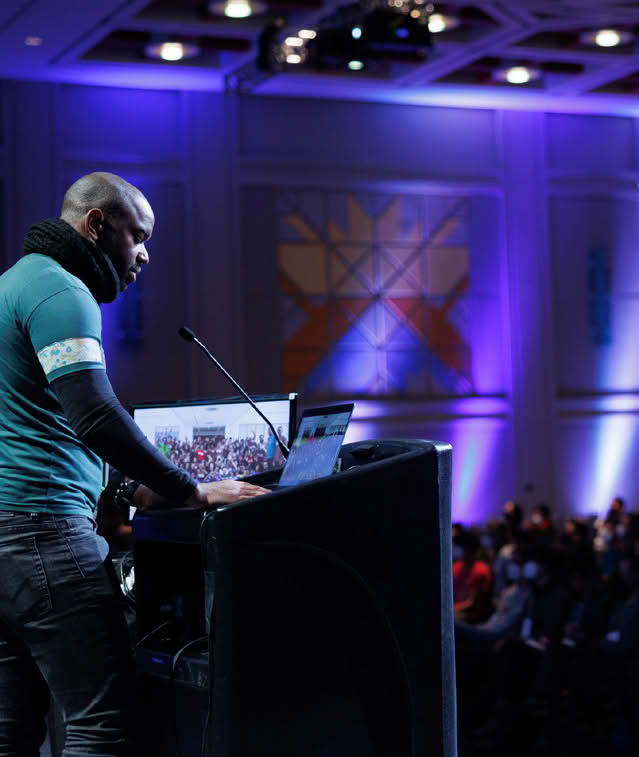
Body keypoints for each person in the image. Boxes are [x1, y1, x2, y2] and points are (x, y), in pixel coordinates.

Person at [0, 172, 269, 756]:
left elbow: (35, 425)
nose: (144, 254)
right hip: (42, 533)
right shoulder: (60, 291)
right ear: (97, 225)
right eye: (138, 235)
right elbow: (93, 414)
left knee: (10, 730)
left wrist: (125, 486)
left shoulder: (10, 286)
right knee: (105, 725)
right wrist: (190, 490)